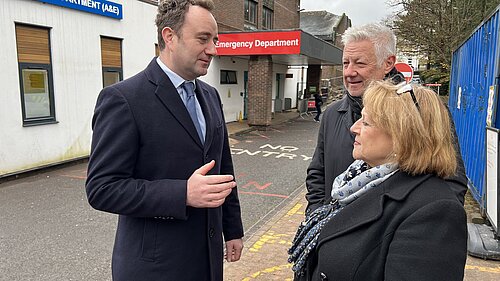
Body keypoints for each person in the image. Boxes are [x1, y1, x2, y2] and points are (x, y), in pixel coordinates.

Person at [85, 1, 244, 280]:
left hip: (207, 261)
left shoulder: (210, 96)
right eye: (203, 39)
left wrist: (232, 230)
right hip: (155, 268)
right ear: (170, 37)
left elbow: (222, 169)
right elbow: (102, 188)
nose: (213, 50)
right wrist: (182, 193)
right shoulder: (124, 99)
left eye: (215, 40)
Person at [289, 80, 468, 280]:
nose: (354, 128)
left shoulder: (435, 212)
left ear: (403, 136)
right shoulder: (358, 182)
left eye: (366, 122)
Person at [305, 23, 467, 215]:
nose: (349, 72)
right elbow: (317, 175)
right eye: (345, 63)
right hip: (331, 234)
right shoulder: (331, 114)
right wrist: (315, 218)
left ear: (388, 63)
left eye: (360, 63)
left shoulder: (421, 112)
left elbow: (451, 183)